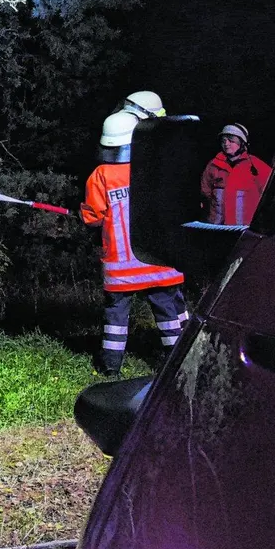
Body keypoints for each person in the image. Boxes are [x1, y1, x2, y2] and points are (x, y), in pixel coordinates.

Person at [80, 111, 189, 377]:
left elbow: (92, 217)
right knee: (168, 315)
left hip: (122, 266)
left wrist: (85, 213)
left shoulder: (100, 175)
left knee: (116, 320)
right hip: (158, 262)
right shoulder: (156, 168)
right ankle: (178, 365)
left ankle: (110, 369)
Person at [200, 123, 273, 226]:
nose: (226, 144)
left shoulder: (256, 166)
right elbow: (205, 192)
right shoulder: (213, 165)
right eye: (223, 141)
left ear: (242, 143)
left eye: (231, 140)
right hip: (217, 228)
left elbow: (271, 192)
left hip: (245, 231)